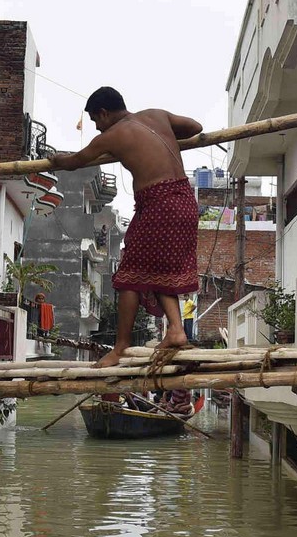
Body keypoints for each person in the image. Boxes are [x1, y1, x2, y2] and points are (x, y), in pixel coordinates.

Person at [50, 87, 202, 367]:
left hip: (159, 204)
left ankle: (120, 348)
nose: (96, 127)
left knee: (129, 277)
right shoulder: (156, 115)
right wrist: (164, 138)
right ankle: (177, 330)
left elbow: (74, 162)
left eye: (96, 120)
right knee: (159, 270)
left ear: (105, 113)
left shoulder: (111, 136)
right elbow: (195, 127)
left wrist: (54, 161)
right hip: (185, 201)